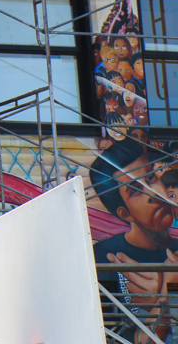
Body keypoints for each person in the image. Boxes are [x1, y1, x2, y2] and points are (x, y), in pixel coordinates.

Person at [91, 138, 177, 344]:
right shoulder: (103, 258)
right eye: (136, 189)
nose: (153, 194)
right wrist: (167, 294)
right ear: (124, 213)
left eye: (150, 178)